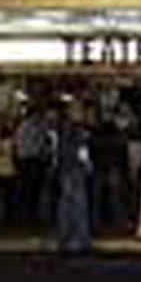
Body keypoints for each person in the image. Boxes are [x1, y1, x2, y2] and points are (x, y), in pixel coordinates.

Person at [54, 103, 93, 254]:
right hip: (74, 169)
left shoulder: (64, 129)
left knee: (66, 205)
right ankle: (79, 239)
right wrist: (86, 164)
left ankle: (66, 239)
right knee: (78, 205)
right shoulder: (77, 130)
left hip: (66, 169)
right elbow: (81, 150)